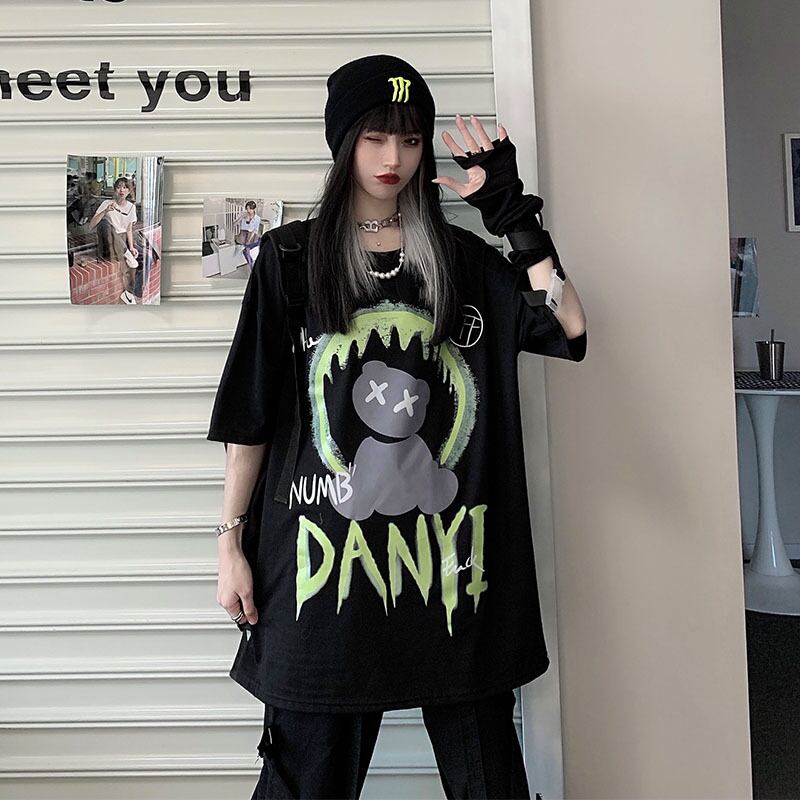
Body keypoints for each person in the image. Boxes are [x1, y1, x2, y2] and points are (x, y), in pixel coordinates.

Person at [207, 54, 587, 799]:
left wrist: (515, 217)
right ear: (343, 141)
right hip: (322, 583)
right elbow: (250, 419)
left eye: (411, 139)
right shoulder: (292, 259)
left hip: (455, 581)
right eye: (375, 137)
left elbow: (568, 328)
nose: (393, 158)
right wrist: (229, 546)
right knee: (302, 783)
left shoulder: (461, 260)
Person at [88, 177, 139, 304]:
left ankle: (129, 293)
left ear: (129, 191)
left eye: (125, 187)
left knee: (143, 257)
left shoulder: (131, 207)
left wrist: (131, 247)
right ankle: (127, 255)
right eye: (119, 187)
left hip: (122, 243)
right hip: (109, 245)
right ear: (115, 189)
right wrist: (105, 211)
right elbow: (91, 226)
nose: (122, 190)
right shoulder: (106, 203)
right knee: (104, 223)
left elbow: (129, 230)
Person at [234, 200, 263, 274]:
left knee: (251, 246)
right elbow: (234, 224)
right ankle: (252, 267)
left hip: (251, 236)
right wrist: (241, 217)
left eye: (250, 209)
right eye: (247, 208)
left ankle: (253, 267)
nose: (248, 210)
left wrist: (249, 240)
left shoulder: (257, 218)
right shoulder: (243, 214)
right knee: (246, 250)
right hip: (243, 235)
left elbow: (255, 230)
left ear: (254, 209)